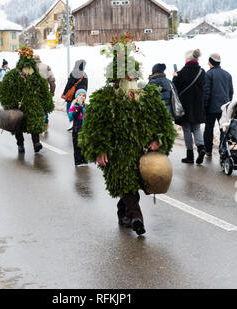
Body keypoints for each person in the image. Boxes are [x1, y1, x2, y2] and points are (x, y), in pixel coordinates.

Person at [78, 35, 176, 235]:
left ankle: (124, 213)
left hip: (142, 151)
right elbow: (92, 127)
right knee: (126, 183)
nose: (129, 81)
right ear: (116, 79)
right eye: (124, 78)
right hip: (117, 153)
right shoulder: (105, 100)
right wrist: (99, 148)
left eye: (131, 77)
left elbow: (164, 123)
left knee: (132, 186)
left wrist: (159, 140)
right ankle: (136, 218)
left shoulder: (147, 98)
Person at [0, 46, 54, 154]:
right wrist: (10, 103)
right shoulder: (12, 76)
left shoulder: (38, 77)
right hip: (18, 107)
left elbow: (44, 92)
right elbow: (4, 91)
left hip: (33, 106)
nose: (28, 70)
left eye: (30, 67)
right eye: (25, 67)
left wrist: (47, 105)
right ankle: (20, 144)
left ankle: (36, 143)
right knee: (18, 126)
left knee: (35, 123)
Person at [173, 49, 206, 165]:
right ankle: (201, 148)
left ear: (187, 59)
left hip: (185, 105)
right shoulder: (202, 72)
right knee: (196, 128)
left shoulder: (182, 71)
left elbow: (176, 87)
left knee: (187, 129)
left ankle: (190, 156)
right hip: (197, 105)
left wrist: (175, 77)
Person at [203, 53, 233, 158]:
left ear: (211, 62)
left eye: (208, 61)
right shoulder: (228, 75)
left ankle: (208, 150)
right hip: (224, 108)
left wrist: (204, 106)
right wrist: (228, 104)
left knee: (208, 130)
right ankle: (222, 150)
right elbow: (231, 92)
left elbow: (206, 92)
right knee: (223, 130)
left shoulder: (208, 74)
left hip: (211, 108)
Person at [62, 60, 88, 130]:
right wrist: (84, 95)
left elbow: (69, 84)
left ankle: (72, 122)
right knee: (80, 108)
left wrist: (65, 93)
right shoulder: (84, 74)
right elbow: (86, 86)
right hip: (81, 95)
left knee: (70, 108)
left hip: (72, 95)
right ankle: (80, 123)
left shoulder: (73, 73)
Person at [34, 54, 56, 131]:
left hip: (33, 93)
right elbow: (52, 80)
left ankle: (36, 125)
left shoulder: (29, 68)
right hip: (44, 92)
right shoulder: (46, 67)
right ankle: (45, 124)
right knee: (44, 109)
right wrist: (52, 92)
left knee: (34, 109)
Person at [68, 88, 87, 166]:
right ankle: (78, 161)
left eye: (83, 96)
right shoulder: (74, 106)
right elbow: (72, 117)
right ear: (76, 97)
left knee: (84, 145)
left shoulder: (85, 106)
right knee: (77, 146)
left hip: (84, 129)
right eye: (80, 95)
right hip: (76, 129)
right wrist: (79, 107)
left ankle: (84, 160)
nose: (81, 97)